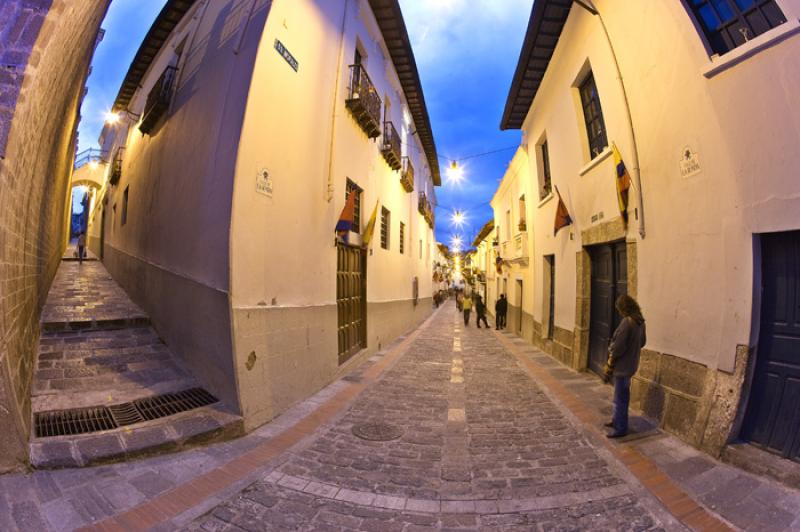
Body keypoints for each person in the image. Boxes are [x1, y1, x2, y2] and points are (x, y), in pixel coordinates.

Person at [602, 294, 647, 438]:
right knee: (621, 395)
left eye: (619, 309)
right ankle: (616, 420)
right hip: (631, 364)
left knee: (620, 398)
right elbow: (642, 342)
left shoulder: (627, 322)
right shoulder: (640, 321)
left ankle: (620, 428)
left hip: (622, 366)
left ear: (624, 308)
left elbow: (618, 347)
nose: (619, 312)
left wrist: (611, 352)